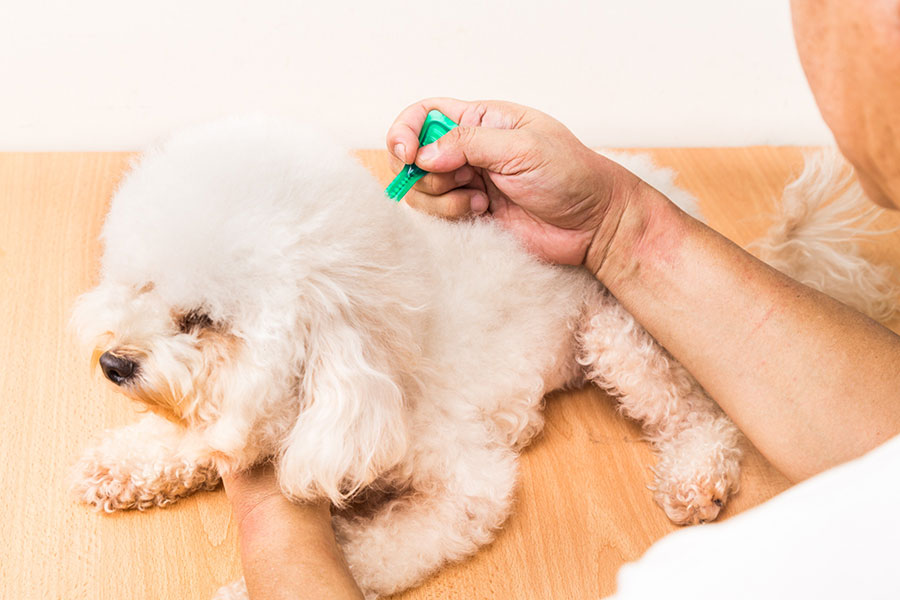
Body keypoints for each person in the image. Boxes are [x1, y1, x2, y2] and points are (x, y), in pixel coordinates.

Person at [224, 1, 900, 597]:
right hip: (547, 265)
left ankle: (694, 431)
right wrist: (615, 222)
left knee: (612, 333)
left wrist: (273, 528)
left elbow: (472, 495)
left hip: (564, 318)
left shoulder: (727, 576)